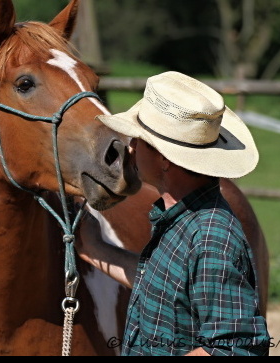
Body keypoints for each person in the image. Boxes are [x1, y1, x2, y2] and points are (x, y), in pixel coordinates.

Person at [76, 71, 270, 356]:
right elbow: (164, 286)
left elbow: (233, 349)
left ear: (164, 158)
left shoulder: (211, 237)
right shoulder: (179, 219)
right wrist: (94, 247)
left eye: (138, 140)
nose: (131, 147)